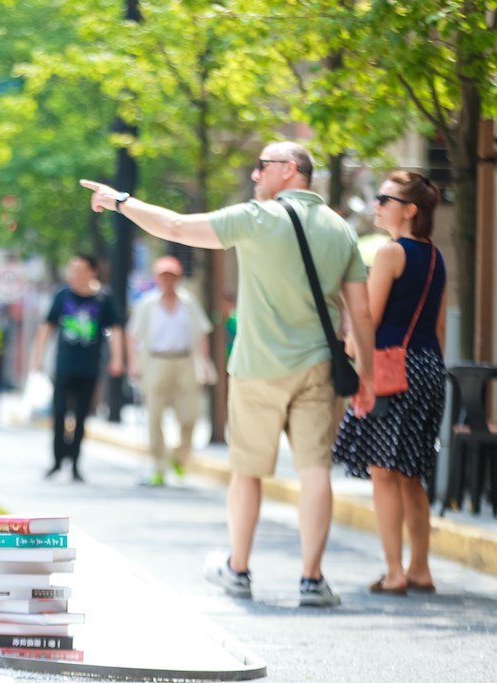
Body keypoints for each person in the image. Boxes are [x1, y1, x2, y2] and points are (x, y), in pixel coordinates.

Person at [80, 141, 376, 607]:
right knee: (315, 470)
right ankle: (312, 579)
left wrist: (120, 201)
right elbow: (361, 312)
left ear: (288, 170)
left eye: (261, 167)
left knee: (248, 471)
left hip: (258, 367)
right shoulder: (340, 230)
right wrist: (368, 378)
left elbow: (176, 226)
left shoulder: (257, 219)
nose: (255, 176)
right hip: (319, 365)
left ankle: (238, 569)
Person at [333, 171, 446, 596]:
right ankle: (420, 569)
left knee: (383, 471)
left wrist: (347, 354)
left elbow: (369, 319)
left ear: (410, 210)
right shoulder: (436, 256)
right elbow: (437, 328)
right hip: (429, 368)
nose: (377, 205)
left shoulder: (390, 253)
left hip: (391, 370)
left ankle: (395, 572)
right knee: (411, 474)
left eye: (385, 198)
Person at [30, 254, 125, 483]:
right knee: (60, 413)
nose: (75, 274)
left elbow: (116, 329)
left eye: (80, 269)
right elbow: (47, 327)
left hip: (90, 367)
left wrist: (117, 359)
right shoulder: (63, 295)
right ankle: (56, 461)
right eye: (72, 269)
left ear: (93, 272)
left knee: (82, 417)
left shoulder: (103, 298)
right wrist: (37, 358)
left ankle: (74, 463)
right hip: (64, 365)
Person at [127, 255, 214, 486]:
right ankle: (158, 464)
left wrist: (204, 364)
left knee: (189, 415)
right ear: (157, 278)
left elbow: (202, 333)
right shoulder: (147, 304)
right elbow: (133, 334)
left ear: (178, 278)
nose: (168, 281)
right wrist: (134, 363)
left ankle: (179, 456)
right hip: (156, 361)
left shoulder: (188, 302)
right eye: (164, 276)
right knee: (154, 416)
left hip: (184, 361)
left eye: (172, 276)